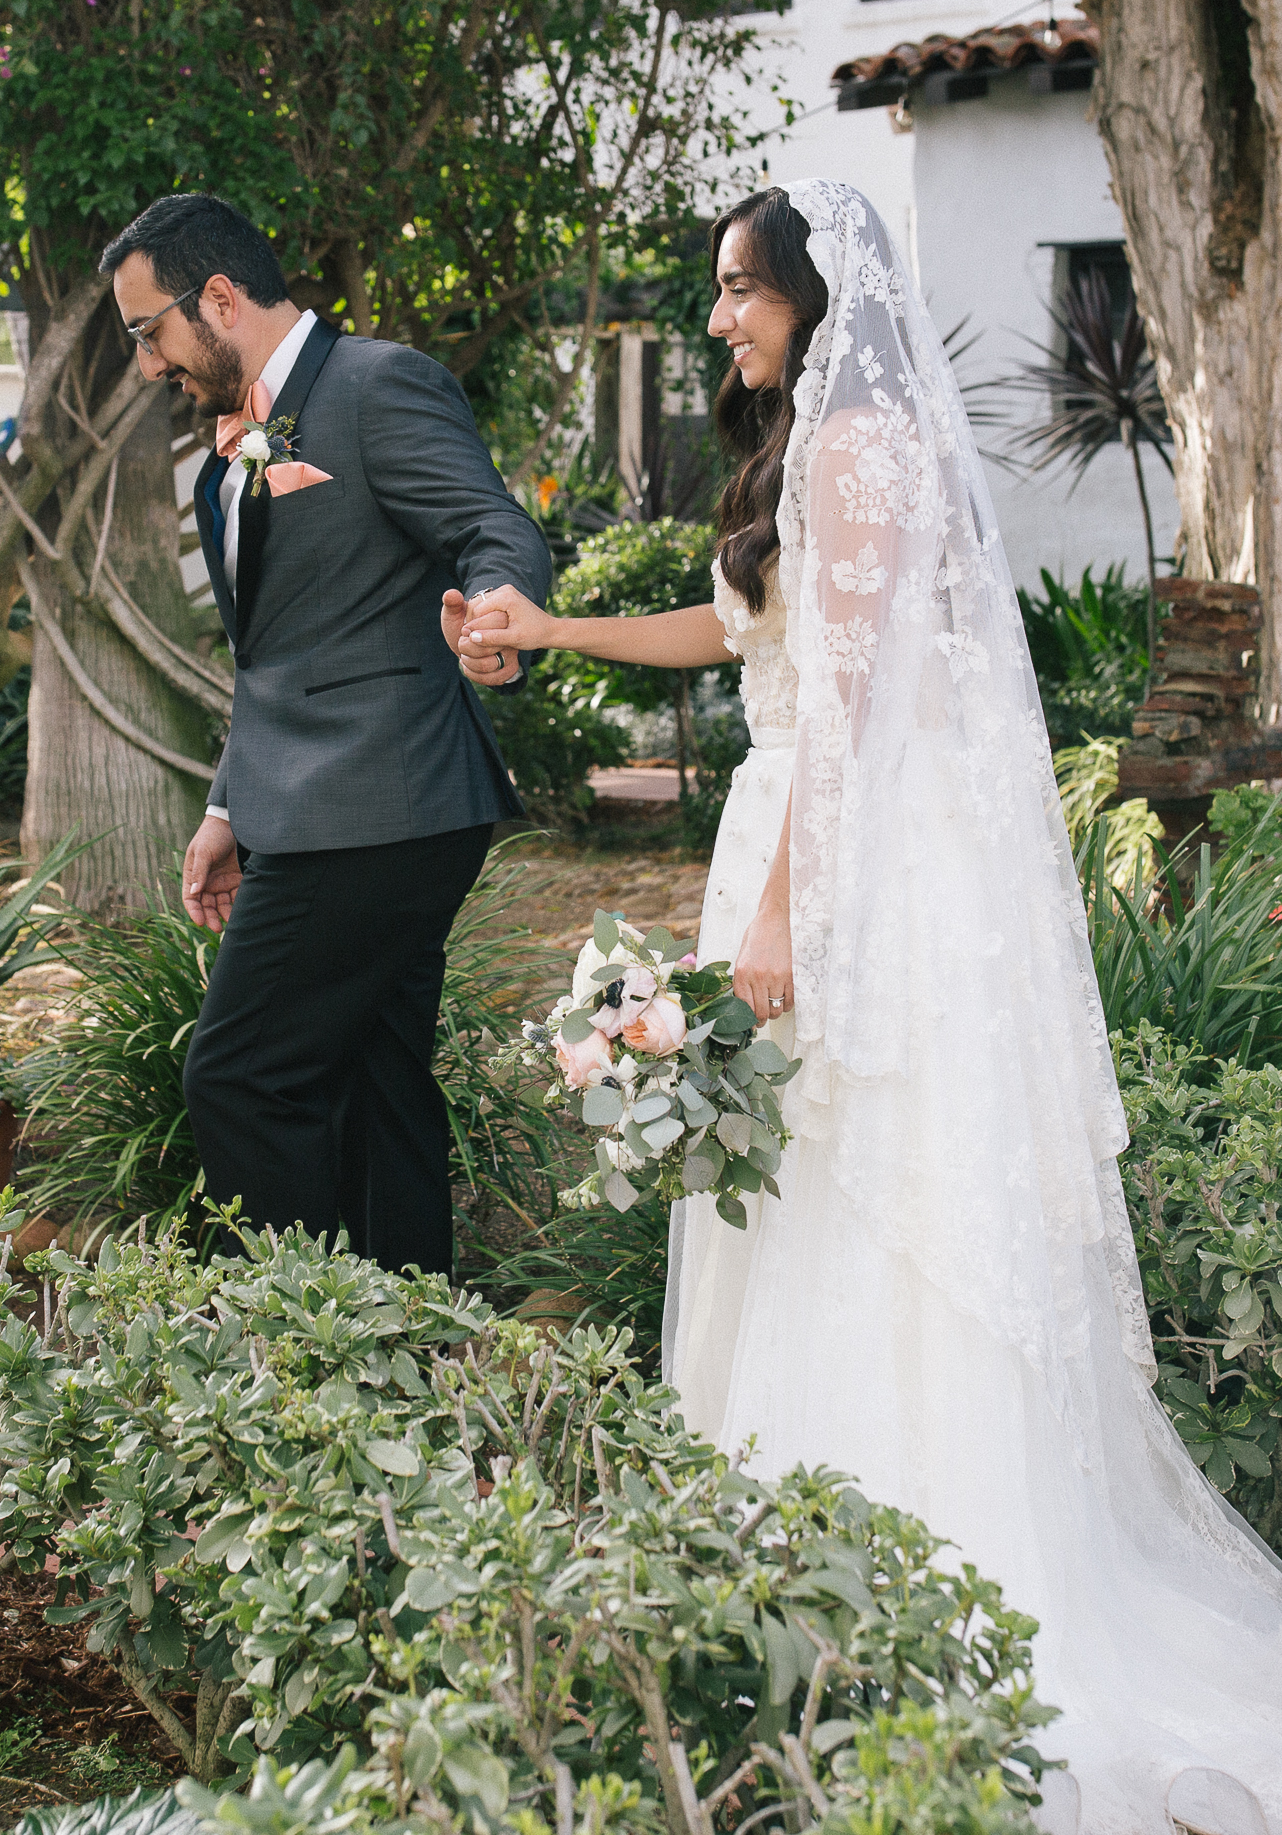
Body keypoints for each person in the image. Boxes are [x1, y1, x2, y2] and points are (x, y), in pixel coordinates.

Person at [454, 181, 1282, 1833]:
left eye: (740, 289)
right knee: (798, 1193)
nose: (719, 318)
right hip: (804, 835)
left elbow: (844, 709)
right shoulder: (804, 453)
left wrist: (782, 917)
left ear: (814, 297)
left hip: (849, 866)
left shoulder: (856, 450)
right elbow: (741, 633)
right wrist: (553, 627)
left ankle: (905, 1581)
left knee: (868, 1190)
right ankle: (787, 1579)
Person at [102, 192, 548, 1278]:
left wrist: (498, 616)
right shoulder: (227, 458)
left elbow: (492, 525)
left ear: (218, 298)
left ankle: (301, 1345)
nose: (148, 365)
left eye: (148, 331)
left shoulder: (377, 385)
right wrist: (228, 804)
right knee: (375, 1082)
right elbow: (273, 655)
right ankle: (411, 1337)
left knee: (239, 1076)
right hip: (328, 806)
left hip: (383, 800)